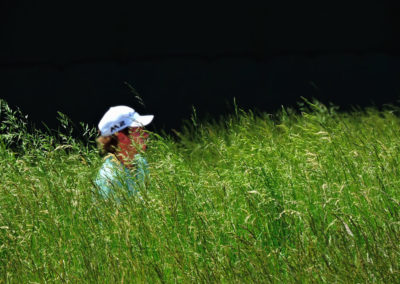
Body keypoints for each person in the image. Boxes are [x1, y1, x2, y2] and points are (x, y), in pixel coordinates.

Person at [94, 105, 154, 200]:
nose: (146, 135)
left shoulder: (141, 162)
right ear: (122, 137)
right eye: (139, 131)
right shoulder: (109, 179)